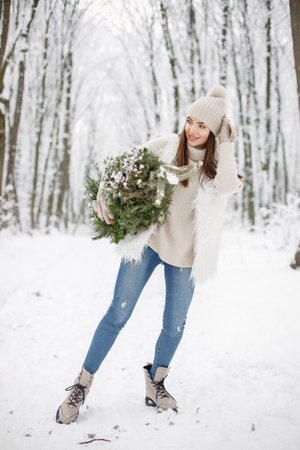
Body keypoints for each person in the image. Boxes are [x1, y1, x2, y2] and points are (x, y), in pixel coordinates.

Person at [56, 84, 243, 424]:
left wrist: (228, 143)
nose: (192, 129)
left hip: (186, 256)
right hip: (149, 245)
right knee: (117, 314)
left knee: (174, 326)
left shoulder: (217, 168)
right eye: (190, 120)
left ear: (214, 131)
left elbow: (229, 186)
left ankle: (155, 383)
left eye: (203, 125)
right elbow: (117, 169)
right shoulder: (166, 147)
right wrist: (103, 195)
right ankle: (81, 385)